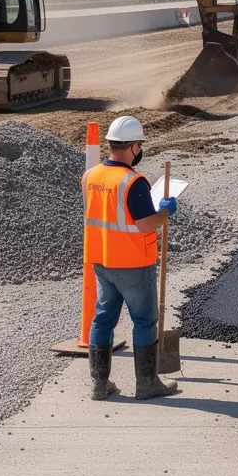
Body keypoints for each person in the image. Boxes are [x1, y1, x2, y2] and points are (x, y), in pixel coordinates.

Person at [83, 115, 179, 401]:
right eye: (140, 145)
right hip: (133, 263)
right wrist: (165, 212)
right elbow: (145, 223)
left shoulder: (91, 175)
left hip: (101, 261)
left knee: (102, 320)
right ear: (134, 146)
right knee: (145, 321)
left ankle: (99, 385)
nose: (140, 150)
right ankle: (147, 383)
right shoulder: (132, 181)